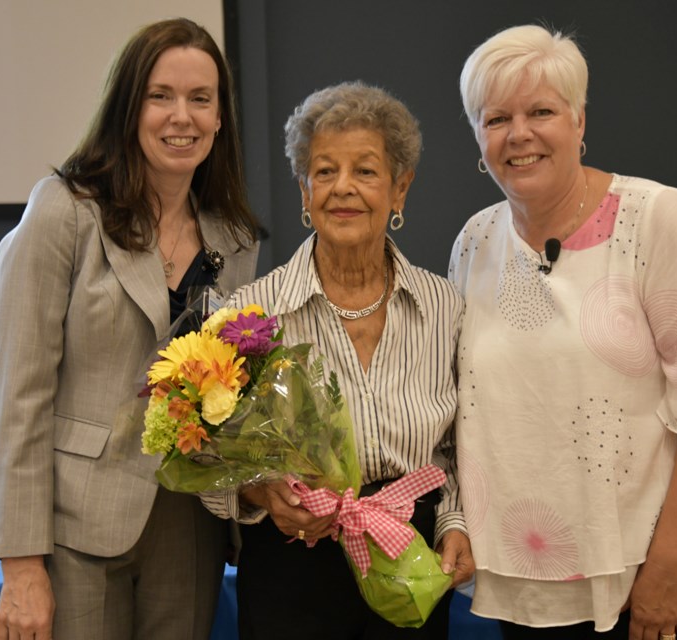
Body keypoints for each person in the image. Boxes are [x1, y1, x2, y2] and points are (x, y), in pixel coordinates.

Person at [448, 25, 677, 640]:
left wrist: (667, 572)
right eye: (496, 117)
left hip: (646, 579)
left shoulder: (656, 218)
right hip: (532, 584)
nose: (519, 133)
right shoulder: (476, 240)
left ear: (579, 121)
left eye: (542, 111)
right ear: (478, 135)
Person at [0, 18, 260, 640]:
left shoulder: (234, 239)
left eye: (200, 99)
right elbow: (20, 398)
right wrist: (22, 564)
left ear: (220, 118)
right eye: (161, 96)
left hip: (189, 525)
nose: (180, 116)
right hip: (75, 523)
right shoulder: (64, 210)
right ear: (128, 106)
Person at [200, 81, 475, 639]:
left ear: (401, 189)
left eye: (366, 171)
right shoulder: (251, 315)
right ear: (303, 192)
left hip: (409, 560)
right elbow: (206, 458)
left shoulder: (445, 305)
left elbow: (458, 448)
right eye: (324, 172)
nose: (343, 188)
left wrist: (453, 522)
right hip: (293, 564)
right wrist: (260, 492)